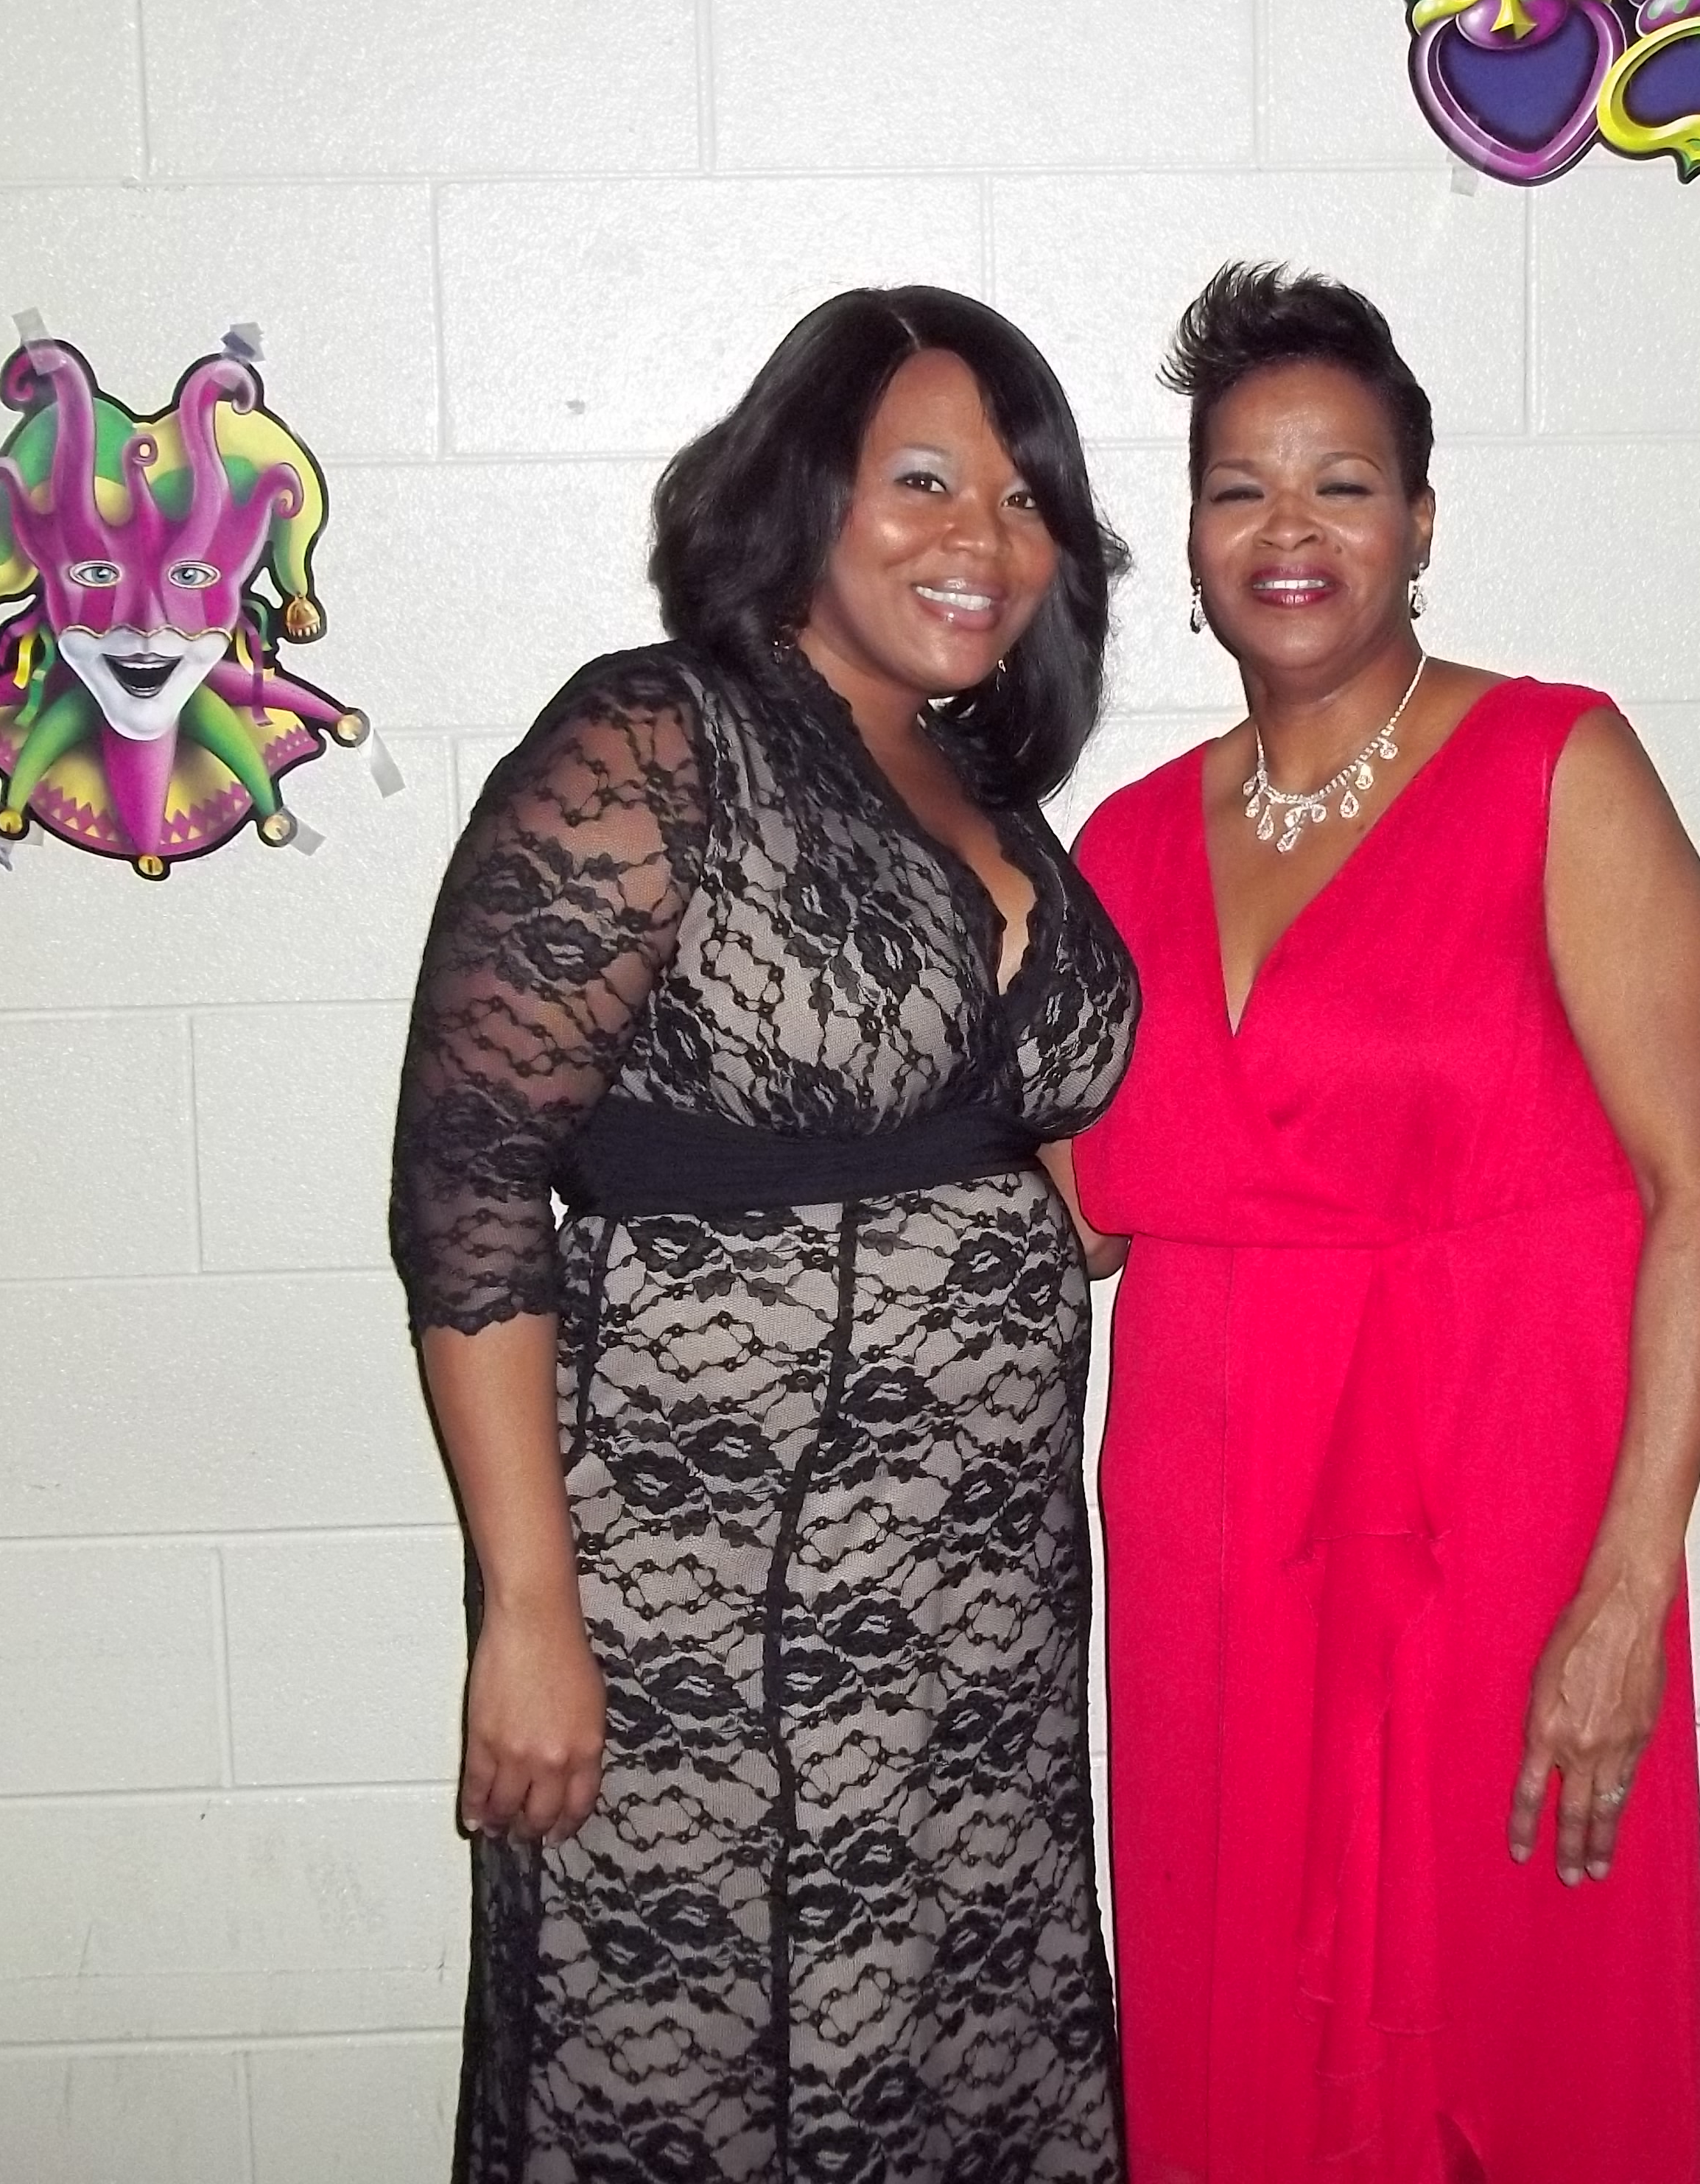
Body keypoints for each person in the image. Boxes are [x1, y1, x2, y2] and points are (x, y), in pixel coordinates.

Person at [389, 287, 1141, 2183]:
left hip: (980, 1614)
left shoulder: (980, 784)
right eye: (922, 480)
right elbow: (468, 1180)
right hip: (703, 1604)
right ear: (803, 487)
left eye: (1024, 499)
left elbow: (1015, 1144)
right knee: (695, 2084)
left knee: (949, 2066)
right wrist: (530, 1613)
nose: (982, 539)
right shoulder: (655, 736)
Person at [1067, 264, 1700, 2183]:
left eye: (1342, 484)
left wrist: (1627, 1589)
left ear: (1422, 521)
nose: (1287, 530)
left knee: (1510, 2063)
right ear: (1191, 540)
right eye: (1239, 488)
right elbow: (1066, 1218)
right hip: (1215, 1567)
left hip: (1494, 1547)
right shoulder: (1124, 845)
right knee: (1243, 2068)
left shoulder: (1555, 768)